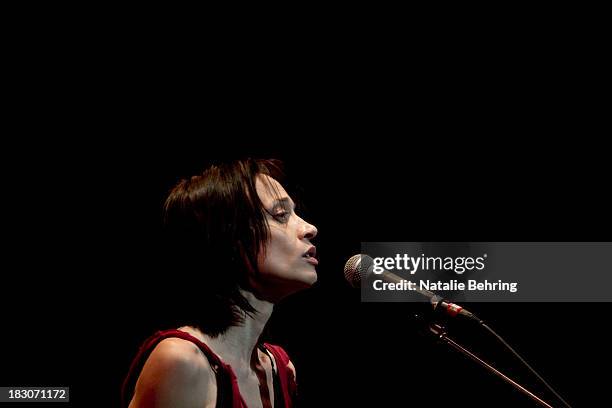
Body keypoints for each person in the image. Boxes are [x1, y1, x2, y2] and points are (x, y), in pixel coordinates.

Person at [121, 159, 318, 408]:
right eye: (280, 215)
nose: (309, 228)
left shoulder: (280, 368)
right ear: (229, 237)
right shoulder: (181, 361)